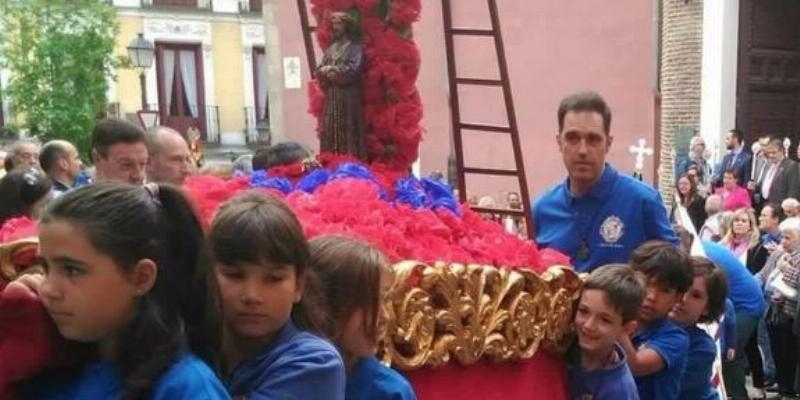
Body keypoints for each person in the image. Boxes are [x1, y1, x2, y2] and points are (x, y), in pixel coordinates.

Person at [16, 182, 229, 399]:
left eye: (72, 270)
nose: (48, 289)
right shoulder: (46, 366)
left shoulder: (185, 387)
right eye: (45, 268)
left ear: (141, 278)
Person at [209, 192, 345, 399]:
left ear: (298, 286)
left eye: (273, 279)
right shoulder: (192, 347)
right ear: (207, 277)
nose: (252, 296)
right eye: (234, 275)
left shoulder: (314, 363)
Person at [533, 91, 678, 273]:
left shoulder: (642, 202)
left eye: (593, 139)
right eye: (572, 138)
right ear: (559, 142)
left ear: (608, 143)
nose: (583, 150)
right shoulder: (542, 209)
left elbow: (675, 274)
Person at [308, 235, 416, 400]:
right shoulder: (280, 375)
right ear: (322, 306)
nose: (384, 317)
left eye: (386, 299)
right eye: (368, 302)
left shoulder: (389, 392)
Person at [618, 241, 691, 400]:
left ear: (678, 298)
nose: (652, 296)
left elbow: (635, 366)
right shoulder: (620, 318)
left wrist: (616, 327)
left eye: (665, 290)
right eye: (646, 284)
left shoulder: (675, 338)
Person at [701, 240, 766, 400]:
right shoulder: (703, 247)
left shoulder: (704, 255)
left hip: (745, 305)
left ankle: (737, 396)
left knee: (731, 353)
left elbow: (715, 294)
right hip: (737, 302)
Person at [567, 264, 642, 400]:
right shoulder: (562, 347)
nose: (589, 326)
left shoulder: (619, 391)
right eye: (584, 311)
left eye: (605, 320)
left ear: (626, 329)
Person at [668, 257, 728, 400]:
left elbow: (663, 389)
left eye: (695, 295)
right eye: (680, 289)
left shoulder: (701, 347)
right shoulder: (644, 326)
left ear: (707, 307)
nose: (683, 299)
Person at [316, 12, 366, 160]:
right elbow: (320, 69)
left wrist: (333, 71)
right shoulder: (330, 49)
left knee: (348, 130)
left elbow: (354, 69)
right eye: (334, 24)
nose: (335, 27)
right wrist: (324, 72)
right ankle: (330, 161)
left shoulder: (355, 48)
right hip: (331, 97)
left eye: (338, 24)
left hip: (348, 98)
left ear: (346, 26)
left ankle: (350, 162)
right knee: (329, 129)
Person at [91, 118, 148, 186]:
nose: (138, 176)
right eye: (127, 165)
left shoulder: (151, 191)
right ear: (97, 159)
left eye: (142, 164)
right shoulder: (81, 191)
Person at [753, 138, 800, 209]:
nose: (771, 155)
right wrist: (756, 186)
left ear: (781, 151)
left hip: (780, 207)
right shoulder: (768, 164)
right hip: (765, 205)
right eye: (769, 153)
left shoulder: (791, 166)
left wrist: (789, 208)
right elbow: (765, 184)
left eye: (774, 152)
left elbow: (793, 191)